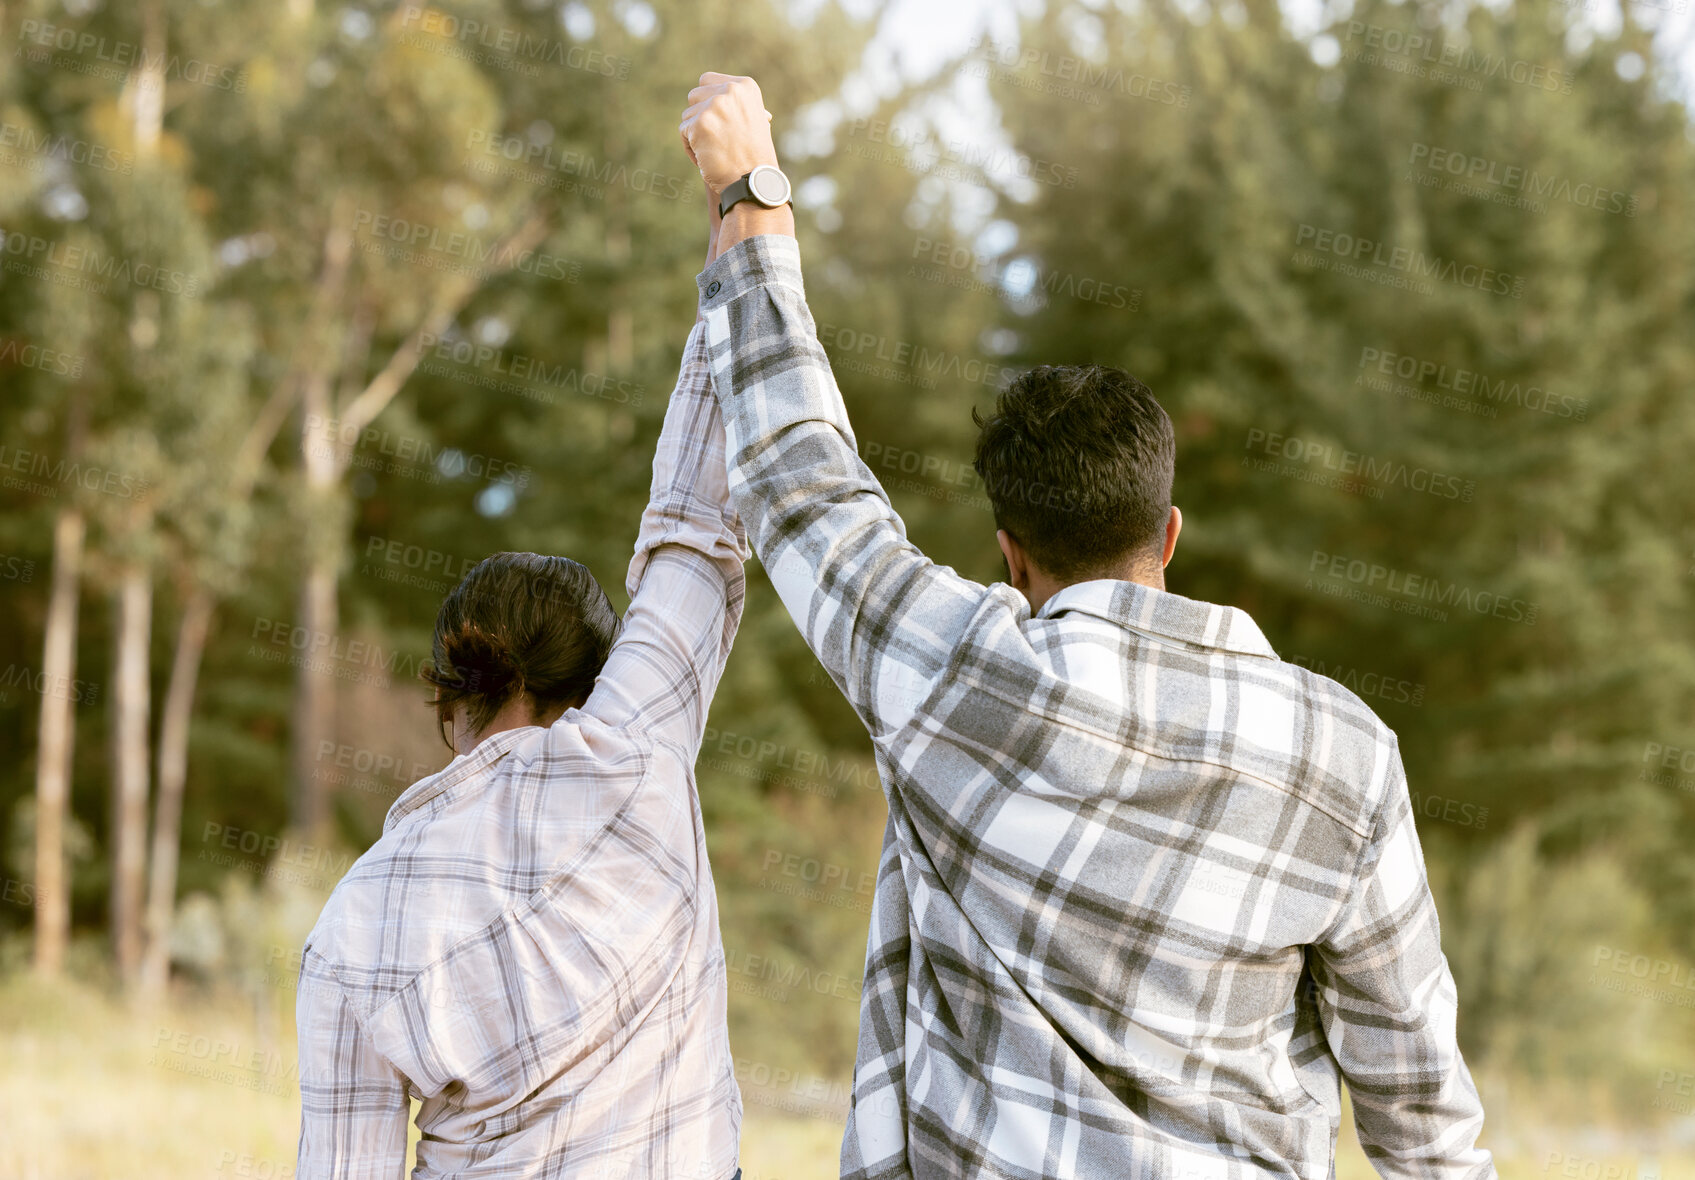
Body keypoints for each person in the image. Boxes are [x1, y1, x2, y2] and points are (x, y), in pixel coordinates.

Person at [679, 72, 1496, 1180]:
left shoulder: (952, 671)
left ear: (1009, 553)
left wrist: (750, 194)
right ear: (1168, 536)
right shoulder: (1342, 754)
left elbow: (801, 479)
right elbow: (1423, 1121)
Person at [294, 185, 748, 1180]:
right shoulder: (641, 753)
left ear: (453, 699)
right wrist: (743, 226)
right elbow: (697, 519)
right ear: (598, 676)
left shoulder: (358, 920)